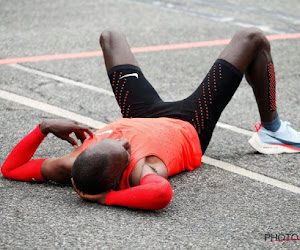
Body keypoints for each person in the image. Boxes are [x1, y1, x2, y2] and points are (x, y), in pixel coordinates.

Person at [1, 28, 300, 210]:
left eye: (105, 140)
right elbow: (160, 194)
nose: (120, 139)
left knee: (110, 37)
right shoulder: (142, 171)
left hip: (139, 114)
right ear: (123, 171)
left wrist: (43, 128)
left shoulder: (69, 165)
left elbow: (10, 169)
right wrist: (104, 199)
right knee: (252, 39)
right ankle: (272, 130)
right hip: (189, 123)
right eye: (123, 148)